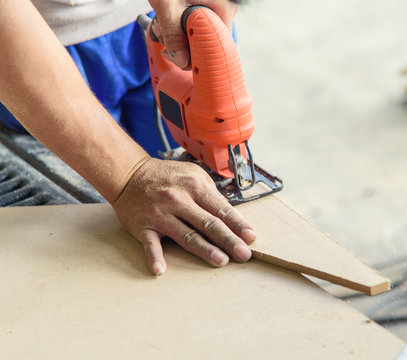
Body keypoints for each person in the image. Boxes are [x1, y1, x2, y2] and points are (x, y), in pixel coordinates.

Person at [0, 0, 256, 276]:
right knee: (102, 208)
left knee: (195, 153)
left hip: (173, 20)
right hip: (38, 44)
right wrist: (130, 176)